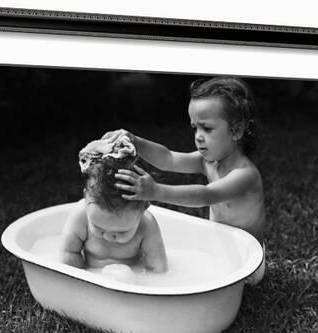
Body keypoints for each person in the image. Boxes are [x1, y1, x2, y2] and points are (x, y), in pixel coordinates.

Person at [109, 76, 266, 283]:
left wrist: (156, 191)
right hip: (219, 247)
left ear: (236, 130)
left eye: (207, 128)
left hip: (247, 263)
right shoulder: (209, 162)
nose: (198, 136)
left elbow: (206, 195)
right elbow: (168, 158)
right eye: (195, 127)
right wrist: (135, 141)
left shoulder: (244, 175)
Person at [59, 134, 168, 280]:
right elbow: (69, 254)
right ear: (85, 199)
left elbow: (158, 269)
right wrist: (85, 278)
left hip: (131, 281)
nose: (109, 236)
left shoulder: (147, 224)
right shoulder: (80, 216)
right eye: (99, 228)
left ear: (144, 207)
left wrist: (136, 282)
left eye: (122, 232)